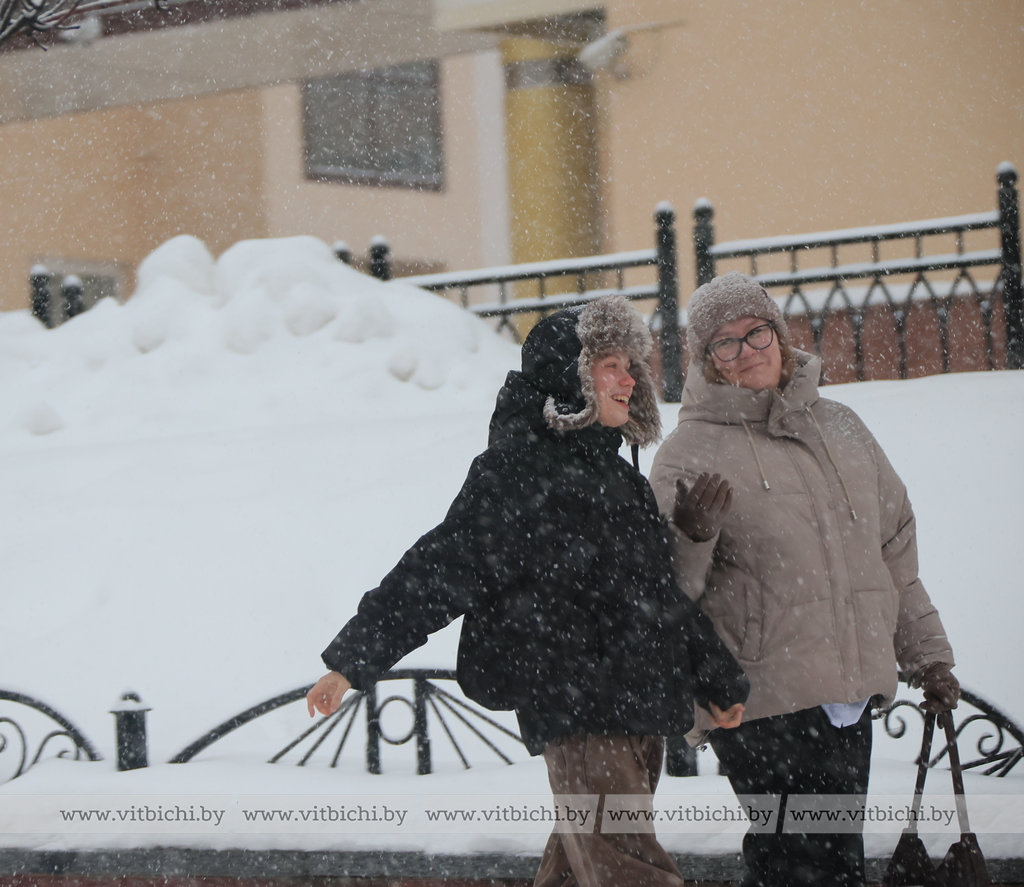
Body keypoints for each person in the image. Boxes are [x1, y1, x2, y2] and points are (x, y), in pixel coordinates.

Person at [307, 295, 750, 887]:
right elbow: (438, 570)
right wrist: (353, 660)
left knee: (578, 870)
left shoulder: (622, 481)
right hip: (579, 713)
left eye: (631, 366)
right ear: (572, 378)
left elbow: (659, 600)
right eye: (610, 366)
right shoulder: (517, 473)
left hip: (636, 715)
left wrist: (715, 676)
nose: (629, 380)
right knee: (630, 871)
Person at [648, 272, 960, 887]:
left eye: (757, 332)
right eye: (726, 342)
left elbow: (893, 556)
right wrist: (691, 537)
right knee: (799, 865)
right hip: (759, 705)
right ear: (707, 360)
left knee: (830, 865)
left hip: (845, 700)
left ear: (780, 334)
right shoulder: (688, 451)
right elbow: (665, 597)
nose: (747, 350)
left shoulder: (842, 428)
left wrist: (928, 657)